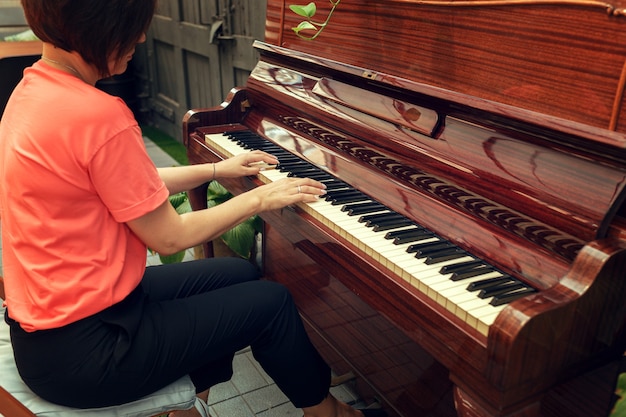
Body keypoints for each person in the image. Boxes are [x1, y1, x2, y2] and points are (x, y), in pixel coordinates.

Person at [0, 1, 387, 417]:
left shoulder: (35, 89)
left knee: (241, 272)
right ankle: (328, 412)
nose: (142, 38)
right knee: (271, 303)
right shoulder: (96, 114)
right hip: (91, 353)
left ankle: (197, 400)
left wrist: (218, 168)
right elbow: (170, 236)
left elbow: (123, 182)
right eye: (133, 27)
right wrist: (259, 197)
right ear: (96, 27)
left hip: (62, 328)